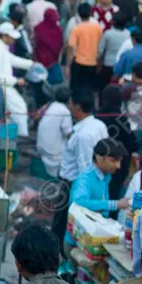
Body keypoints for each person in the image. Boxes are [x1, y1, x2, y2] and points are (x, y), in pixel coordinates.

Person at [52, 90, 110, 250]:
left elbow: (84, 166)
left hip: (73, 184)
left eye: (70, 104)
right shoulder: (99, 125)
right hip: (88, 180)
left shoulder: (84, 135)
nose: (69, 107)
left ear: (77, 107)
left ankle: (59, 257)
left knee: (63, 223)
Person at [66, 138, 131, 247]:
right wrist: (115, 204)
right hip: (78, 242)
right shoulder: (85, 179)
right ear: (100, 158)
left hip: (93, 236)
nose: (118, 166)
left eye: (120, 161)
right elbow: (78, 202)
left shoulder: (105, 176)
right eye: (114, 160)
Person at [0, 22, 35, 137]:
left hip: (6, 84)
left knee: (13, 112)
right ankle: (22, 136)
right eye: (11, 37)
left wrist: (31, 64)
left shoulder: (1, 46)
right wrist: (16, 81)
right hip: (2, 86)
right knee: (20, 108)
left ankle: (12, 135)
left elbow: (11, 59)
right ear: (4, 36)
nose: (14, 40)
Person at [35, 85, 73, 179]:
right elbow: (68, 134)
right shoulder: (65, 111)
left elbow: (36, 117)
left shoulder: (48, 106)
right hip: (53, 153)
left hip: (41, 148)